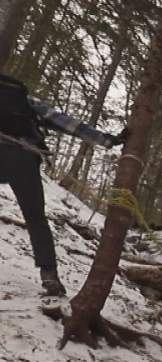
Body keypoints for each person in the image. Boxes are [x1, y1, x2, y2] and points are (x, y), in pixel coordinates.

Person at [0, 74, 127, 296]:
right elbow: (69, 124)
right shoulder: (29, 103)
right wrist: (108, 140)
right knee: (35, 218)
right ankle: (50, 277)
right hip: (22, 157)